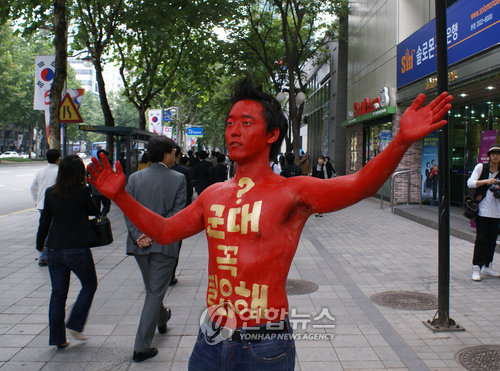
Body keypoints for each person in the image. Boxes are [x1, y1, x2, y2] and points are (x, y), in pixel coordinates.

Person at [88, 76, 452, 370]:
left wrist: (400, 141)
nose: (234, 131)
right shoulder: (212, 195)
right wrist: (120, 197)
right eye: (230, 123)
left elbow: (359, 185)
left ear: (271, 135)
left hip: (266, 343)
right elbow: (166, 231)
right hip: (211, 337)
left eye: (246, 123)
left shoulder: (293, 192)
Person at [123, 136, 187, 362]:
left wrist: (139, 235)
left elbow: (127, 209)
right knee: (154, 292)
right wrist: (153, 233)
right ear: (166, 155)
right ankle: (141, 347)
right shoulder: (178, 179)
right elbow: (176, 213)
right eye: (172, 152)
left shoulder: (134, 178)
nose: (174, 156)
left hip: (139, 245)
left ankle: (162, 318)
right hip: (164, 245)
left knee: (153, 289)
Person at [36, 155, 99, 348]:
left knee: (58, 294)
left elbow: (45, 220)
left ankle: (57, 338)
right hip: (77, 248)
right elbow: (94, 211)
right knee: (89, 285)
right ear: (80, 172)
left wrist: (40, 243)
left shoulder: (50, 192)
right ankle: (75, 323)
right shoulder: (82, 191)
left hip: (54, 248)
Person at [467, 143, 500, 281]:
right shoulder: (481, 167)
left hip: (497, 212)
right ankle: (476, 267)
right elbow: (470, 183)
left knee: (492, 240)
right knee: (480, 239)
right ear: (489, 156)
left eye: (498, 154)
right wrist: (487, 181)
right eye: (493, 153)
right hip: (482, 211)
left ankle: (488, 266)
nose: (496, 156)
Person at [30, 149, 61, 266]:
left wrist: (36, 200)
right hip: (55, 205)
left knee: (44, 228)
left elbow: (33, 187)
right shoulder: (59, 171)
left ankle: (43, 255)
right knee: (53, 230)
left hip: (42, 205)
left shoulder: (40, 171)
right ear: (58, 158)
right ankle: (48, 255)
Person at [171, 145, 194, 286]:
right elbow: (188, 193)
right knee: (174, 245)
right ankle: (170, 274)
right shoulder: (183, 172)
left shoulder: (139, 176)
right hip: (177, 215)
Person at [89, 149, 112, 217]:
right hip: (105, 190)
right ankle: (102, 216)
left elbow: (87, 174)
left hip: (95, 189)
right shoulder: (107, 165)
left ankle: (98, 219)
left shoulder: (91, 164)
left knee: (96, 207)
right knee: (107, 205)